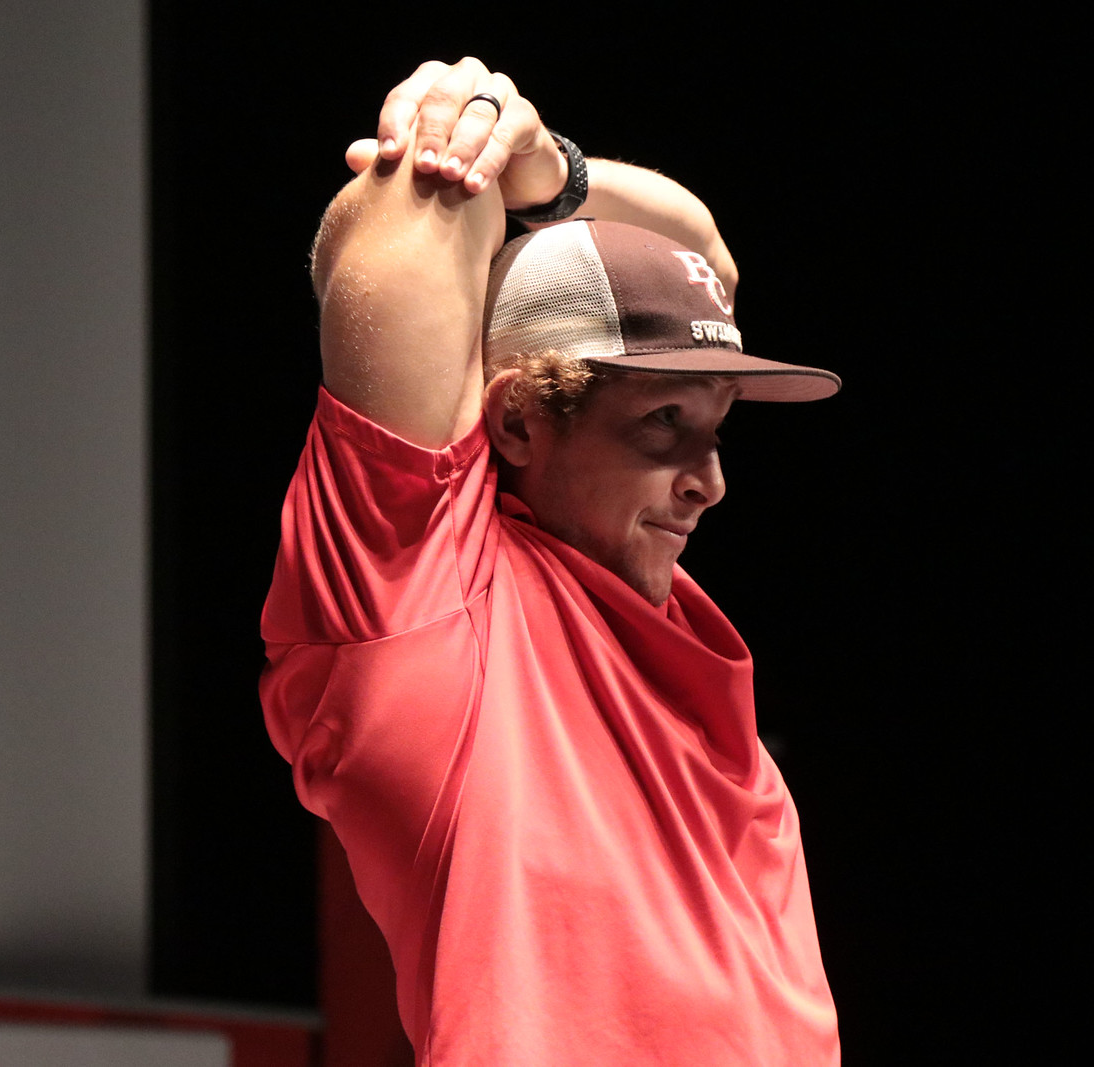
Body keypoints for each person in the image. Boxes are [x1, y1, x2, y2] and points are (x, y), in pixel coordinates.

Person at [261, 58, 842, 1065]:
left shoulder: (670, 646)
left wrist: (552, 171)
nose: (709, 481)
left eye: (714, 429)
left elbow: (702, 257)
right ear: (520, 421)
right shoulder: (430, 610)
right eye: (663, 422)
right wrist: (468, 131)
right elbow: (412, 211)